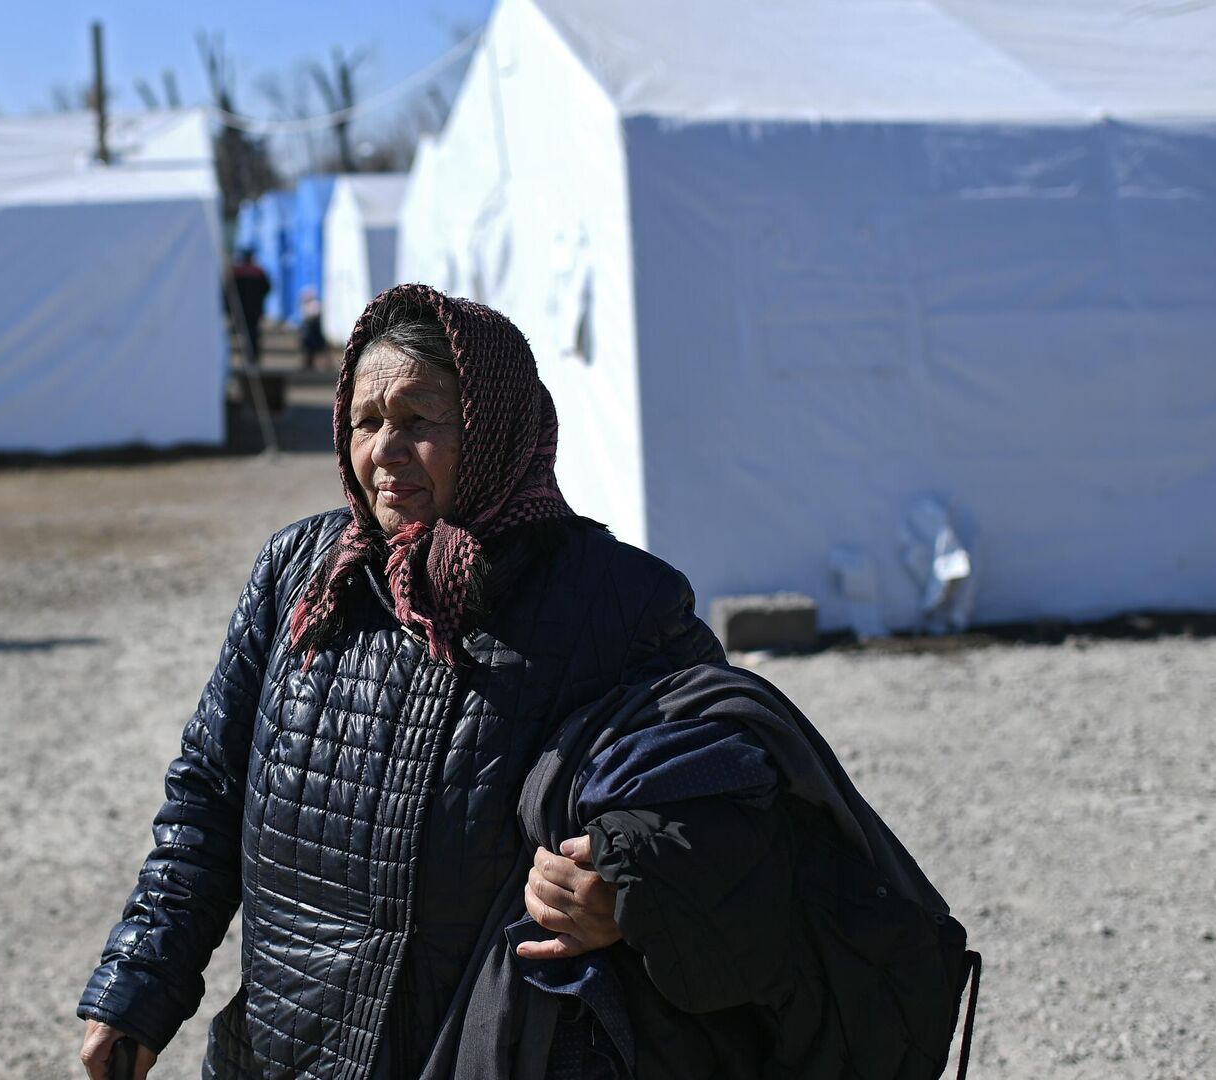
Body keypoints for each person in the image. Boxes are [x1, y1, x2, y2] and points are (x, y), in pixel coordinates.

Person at [78, 285, 967, 1080]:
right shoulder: (300, 577)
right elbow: (209, 797)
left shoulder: (618, 600)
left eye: (420, 418)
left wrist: (629, 893)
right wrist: (140, 986)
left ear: (496, 424)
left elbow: (730, 803)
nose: (385, 450)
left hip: (489, 1045)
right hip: (284, 1046)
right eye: (364, 420)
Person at [229, 249, 271, 369]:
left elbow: (230, 292)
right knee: (254, 333)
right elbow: (267, 288)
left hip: (242, 309)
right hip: (255, 308)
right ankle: (254, 356)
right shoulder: (258, 272)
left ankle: (247, 356)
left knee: (244, 333)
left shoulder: (237, 273)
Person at [298, 285, 328, 371]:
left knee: (320, 348)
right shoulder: (305, 306)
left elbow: (313, 317)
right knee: (310, 349)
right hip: (310, 331)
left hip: (315, 330)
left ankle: (326, 364)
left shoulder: (315, 304)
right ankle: (309, 364)